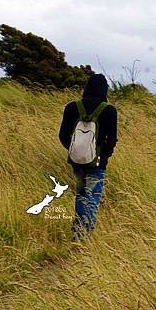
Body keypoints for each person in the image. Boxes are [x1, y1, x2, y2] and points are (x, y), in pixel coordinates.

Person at [59, 74, 117, 240]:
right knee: (92, 199)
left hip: (77, 162)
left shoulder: (71, 107)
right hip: (97, 164)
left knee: (81, 194)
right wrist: (102, 157)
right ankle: (84, 237)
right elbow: (112, 140)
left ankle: (77, 231)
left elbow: (63, 135)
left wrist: (75, 152)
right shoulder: (109, 110)